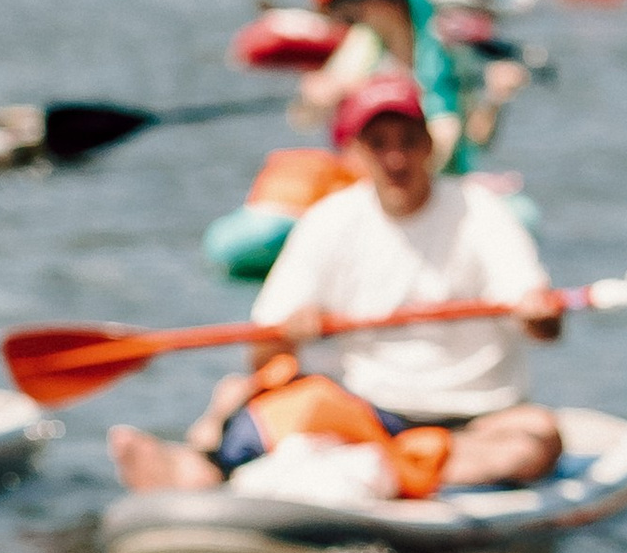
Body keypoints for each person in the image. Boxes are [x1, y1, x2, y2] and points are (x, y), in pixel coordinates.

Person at [106, 73, 566, 501]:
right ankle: (203, 467)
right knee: (239, 392)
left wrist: (538, 314)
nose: (396, 159)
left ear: (429, 144)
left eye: (408, 141)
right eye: (378, 144)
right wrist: (290, 333)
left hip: (475, 419)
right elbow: (262, 352)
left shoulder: (483, 213)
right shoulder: (330, 221)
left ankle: (379, 470)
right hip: (368, 412)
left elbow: (543, 324)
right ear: (354, 153)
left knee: (536, 438)